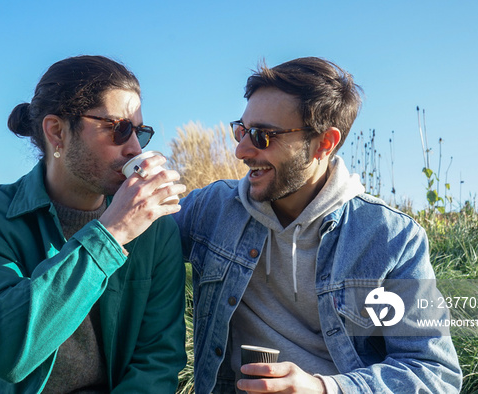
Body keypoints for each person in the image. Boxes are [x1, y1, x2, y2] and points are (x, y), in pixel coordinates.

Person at [173, 57, 462, 393]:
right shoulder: (211, 209)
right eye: (241, 130)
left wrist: (324, 388)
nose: (241, 150)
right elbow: (135, 242)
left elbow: (433, 373)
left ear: (324, 143)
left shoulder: (391, 238)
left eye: (262, 136)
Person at [0, 55, 187, 393]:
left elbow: (158, 361)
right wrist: (111, 234)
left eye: (140, 132)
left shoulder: (156, 228)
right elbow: (6, 353)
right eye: (118, 128)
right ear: (57, 131)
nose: (134, 148)